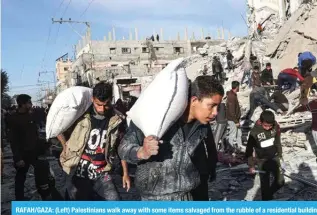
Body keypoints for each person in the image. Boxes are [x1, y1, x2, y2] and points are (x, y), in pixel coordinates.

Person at [118, 76, 223, 201]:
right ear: (194, 100)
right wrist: (142, 152)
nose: (216, 112)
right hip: (155, 200)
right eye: (211, 106)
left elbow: (209, 149)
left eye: (218, 107)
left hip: (186, 197)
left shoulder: (202, 126)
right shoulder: (156, 119)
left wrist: (209, 169)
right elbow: (123, 149)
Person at [59, 82, 130, 200]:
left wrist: (125, 173)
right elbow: (57, 128)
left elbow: (121, 147)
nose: (102, 109)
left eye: (106, 104)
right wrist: (64, 145)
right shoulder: (80, 114)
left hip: (102, 173)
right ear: (92, 99)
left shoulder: (117, 119)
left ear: (111, 99)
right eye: (98, 104)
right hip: (77, 172)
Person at [7, 94, 58, 200]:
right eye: (29, 102)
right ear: (23, 104)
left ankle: (47, 193)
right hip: (23, 154)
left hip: (35, 152)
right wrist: (18, 158)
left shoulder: (31, 116)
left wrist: (45, 144)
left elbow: (34, 135)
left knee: (44, 173)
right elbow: (13, 141)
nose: (31, 104)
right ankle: (20, 199)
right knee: (21, 178)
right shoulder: (13, 119)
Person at [246, 110, 285, 200]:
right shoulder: (254, 132)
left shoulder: (275, 126)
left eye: (270, 126)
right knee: (265, 185)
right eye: (265, 126)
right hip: (262, 161)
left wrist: (280, 157)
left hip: (274, 158)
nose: (268, 128)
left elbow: (278, 142)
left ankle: (268, 195)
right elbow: (249, 150)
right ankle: (266, 202)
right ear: (260, 121)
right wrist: (251, 165)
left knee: (280, 182)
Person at [225, 81, 242, 149]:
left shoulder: (233, 94)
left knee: (239, 134)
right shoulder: (231, 96)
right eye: (239, 86)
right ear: (237, 87)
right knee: (233, 134)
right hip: (232, 119)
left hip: (235, 119)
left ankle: (240, 147)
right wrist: (236, 121)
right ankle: (230, 148)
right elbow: (231, 111)